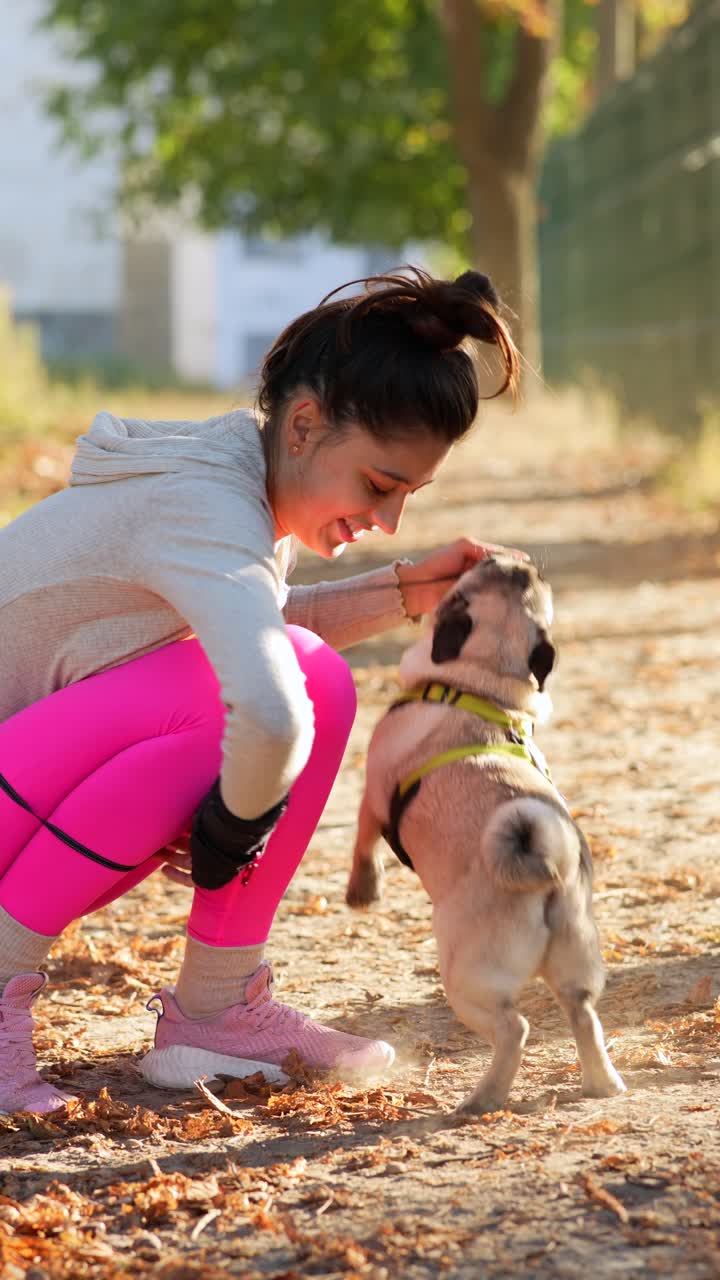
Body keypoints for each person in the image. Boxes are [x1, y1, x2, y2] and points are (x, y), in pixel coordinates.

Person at [0, 267, 520, 1114]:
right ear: (307, 424)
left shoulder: (237, 481)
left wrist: (403, 593)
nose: (386, 520)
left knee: (304, 669)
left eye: (407, 498)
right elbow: (270, 708)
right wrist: (234, 826)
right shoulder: (207, 505)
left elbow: (265, 625)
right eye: (380, 486)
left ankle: (214, 1011)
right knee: (279, 687)